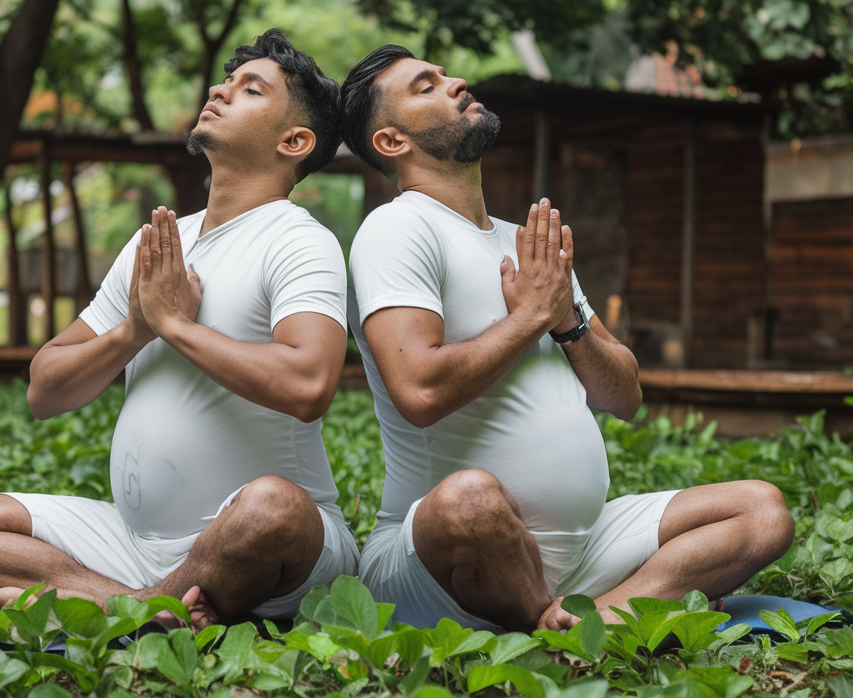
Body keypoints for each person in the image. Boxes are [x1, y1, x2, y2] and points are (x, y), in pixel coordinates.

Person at [339, 44, 794, 633]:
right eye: (425, 86)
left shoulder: (523, 242)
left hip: (583, 547)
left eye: (445, 73)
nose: (456, 82)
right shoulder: (396, 229)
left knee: (762, 511)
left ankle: (590, 620)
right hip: (442, 561)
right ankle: (551, 620)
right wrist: (529, 316)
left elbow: (623, 397)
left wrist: (566, 321)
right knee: (468, 500)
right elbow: (419, 392)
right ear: (392, 141)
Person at [0, 30, 359, 627]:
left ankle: (113, 604)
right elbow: (45, 389)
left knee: (275, 508)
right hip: (134, 543)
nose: (218, 91)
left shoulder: (300, 240)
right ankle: (129, 602)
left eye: (249, 89)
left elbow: (308, 385)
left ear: (294, 140)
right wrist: (132, 332)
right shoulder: (161, 241)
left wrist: (175, 326)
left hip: (271, 545)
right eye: (225, 82)